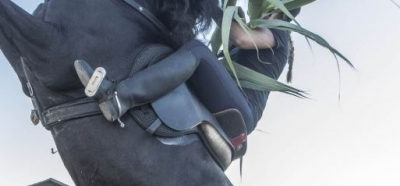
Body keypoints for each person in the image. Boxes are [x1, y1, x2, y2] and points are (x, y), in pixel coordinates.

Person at [74, 4, 300, 157]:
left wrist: (214, 9)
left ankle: (120, 98)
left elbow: (241, 38)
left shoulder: (280, 34)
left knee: (198, 52)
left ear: (278, 11)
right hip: (228, 100)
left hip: (241, 112)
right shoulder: (267, 34)